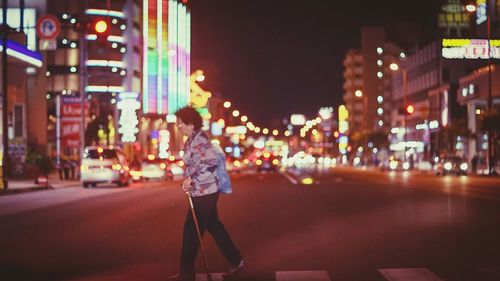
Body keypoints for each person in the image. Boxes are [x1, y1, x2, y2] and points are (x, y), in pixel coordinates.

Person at [168, 106, 244, 281]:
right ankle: (237, 261)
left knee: (191, 230)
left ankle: (186, 273)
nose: (179, 127)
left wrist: (191, 179)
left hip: (205, 190)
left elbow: (210, 162)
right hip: (203, 190)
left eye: (181, 124)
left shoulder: (200, 140)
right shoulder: (191, 140)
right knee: (214, 227)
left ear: (191, 124)